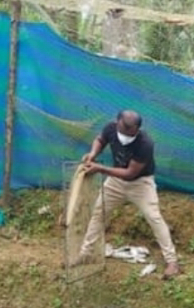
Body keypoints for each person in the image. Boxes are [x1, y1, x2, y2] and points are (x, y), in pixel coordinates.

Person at [73, 110, 180, 280]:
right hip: (116, 182)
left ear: (137, 129)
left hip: (141, 184)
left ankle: (172, 262)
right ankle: (86, 254)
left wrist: (100, 168)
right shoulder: (110, 128)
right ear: (117, 123)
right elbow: (100, 140)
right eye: (123, 131)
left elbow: (130, 173)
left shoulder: (145, 143)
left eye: (131, 132)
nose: (125, 136)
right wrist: (93, 154)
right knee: (99, 213)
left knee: (154, 218)